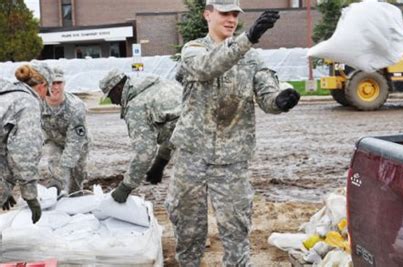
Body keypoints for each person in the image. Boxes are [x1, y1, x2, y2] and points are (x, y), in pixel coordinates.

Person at [166, 0, 300, 266]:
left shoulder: (251, 58)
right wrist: (248, 38)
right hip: (192, 155)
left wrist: (280, 100)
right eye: (224, 13)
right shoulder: (193, 50)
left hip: (232, 159)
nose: (231, 19)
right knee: (188, 226)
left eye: (235, 15)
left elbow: (266, 95)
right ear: (207, 15)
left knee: (236, 227)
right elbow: (208, 67)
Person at [99, 70, 182, 203]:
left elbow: (145, 152)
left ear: (118, 88)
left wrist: (125, 187)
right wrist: (161, 161)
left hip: (194, 144)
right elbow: (172, 127)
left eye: (110, 96)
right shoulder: (157, 85)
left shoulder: (136, 107)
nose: (113, 102)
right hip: (212, 130)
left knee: (181, 203)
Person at [0, 62, 54, 224]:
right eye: (47, 92)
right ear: (42, 85)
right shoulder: (27, 103)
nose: (46, 97)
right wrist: (30, 195)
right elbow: (23, 152)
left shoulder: (6, 96)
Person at [42, 68, 90, 195]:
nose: (54, 87)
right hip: (54, 141)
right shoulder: (37, 104)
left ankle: (76, 197)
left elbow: (74, 143)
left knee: (76, 174)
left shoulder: (75, 107)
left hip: (78, 144)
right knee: (55, 164)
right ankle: (57, 196)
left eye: (58, 83)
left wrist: (65, 170)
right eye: (51, 83)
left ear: (64, 84)